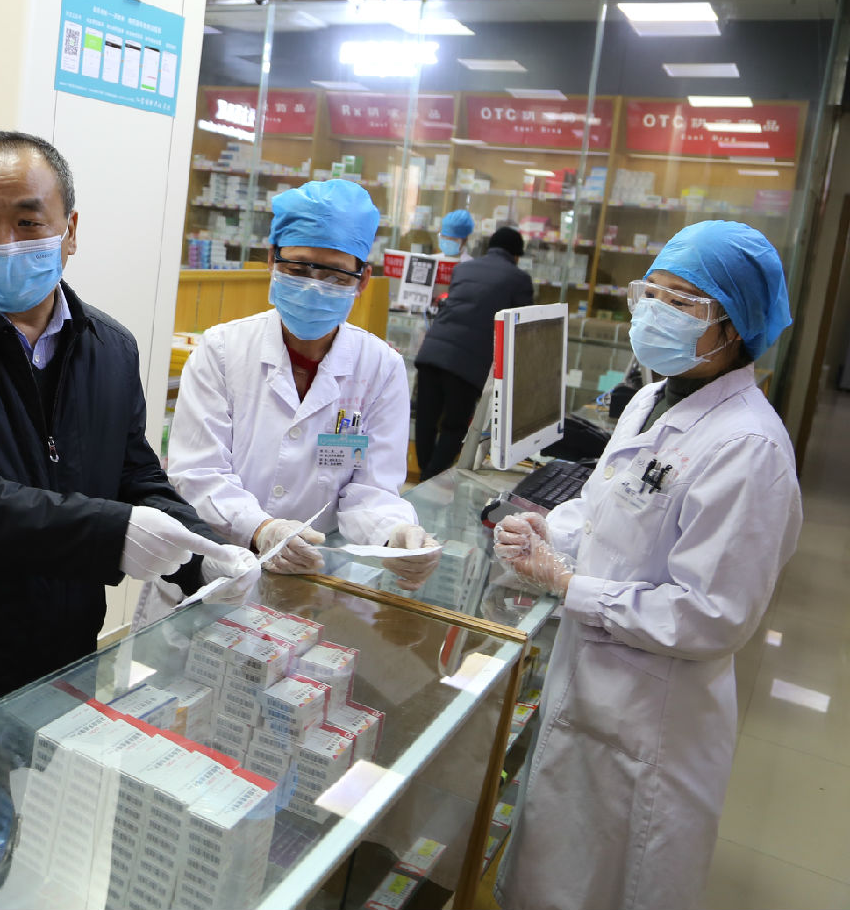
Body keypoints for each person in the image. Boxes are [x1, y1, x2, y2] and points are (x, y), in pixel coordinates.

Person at [0, 130, 252, 759]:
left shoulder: (109, 347)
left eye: (27, 221)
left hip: (64, 662)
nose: (3, 241)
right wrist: (110, 532)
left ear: (70, 230)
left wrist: (202, 555)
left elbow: (134, 475)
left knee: (46, 815)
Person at [493, 221, 802, 910]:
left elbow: (712, 616)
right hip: (591, 688)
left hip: (650, 722)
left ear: (734, 325)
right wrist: (548, 531)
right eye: (650, 292)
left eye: (681, 301)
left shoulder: (749, 448)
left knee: (613, 881)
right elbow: (607, 509)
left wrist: (568, 583)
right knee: (552, 870)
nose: (655, 312)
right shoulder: (649, 399)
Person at [167, 179, 441, 590]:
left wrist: (394, 533)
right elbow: (198, 473)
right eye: (297, 270)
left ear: (363, 279)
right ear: (271, 262)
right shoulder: (222, 350)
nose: (313, 287)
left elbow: (371, 490)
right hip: (216, 572)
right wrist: (261, 528)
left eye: (335, 276)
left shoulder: (380, 368)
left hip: (313, 578)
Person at [412, 225, 534, 480]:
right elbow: (520, 329)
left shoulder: (463, 269)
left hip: (432, 352)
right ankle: (429, 480)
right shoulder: (519, 279)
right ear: (516, 255)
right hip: (467, 364)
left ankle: (424, 476)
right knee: (454, 427)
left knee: (425, 420)